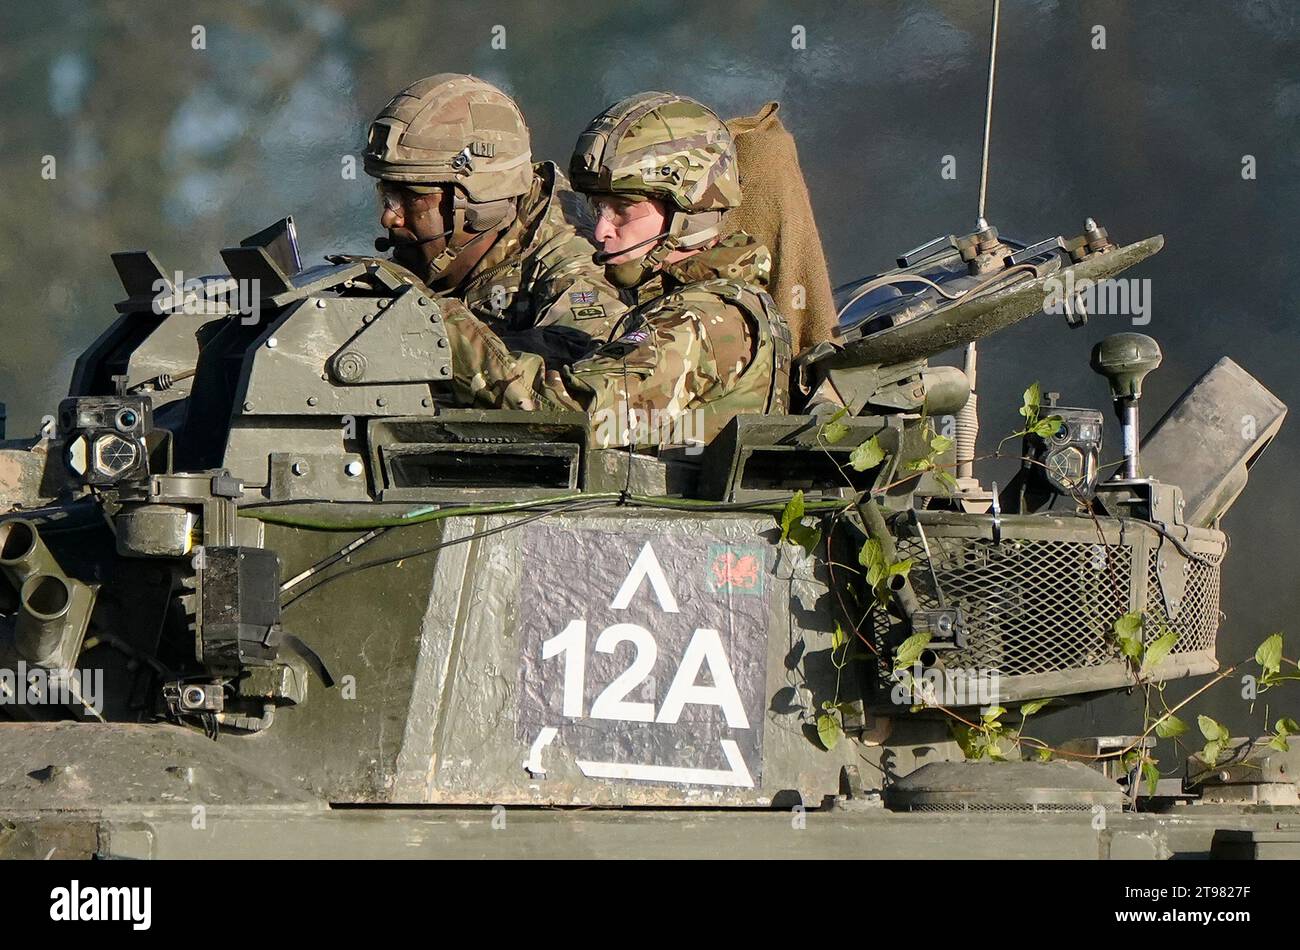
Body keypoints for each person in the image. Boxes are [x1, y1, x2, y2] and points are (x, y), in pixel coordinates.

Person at [439, 92, 792, 449]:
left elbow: (567, 416)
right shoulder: (689, 303)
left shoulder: (699, 319)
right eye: (599, 209)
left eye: (622, 209)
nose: (600, 231)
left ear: (686, 211)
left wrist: (444, 331)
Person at [362, 73, 625, 355]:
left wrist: (429, 325)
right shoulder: (437, 253)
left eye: (412, 199)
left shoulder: (576, 273)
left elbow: (568, 389)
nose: (391, 218)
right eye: (387, 197)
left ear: (480, 199)